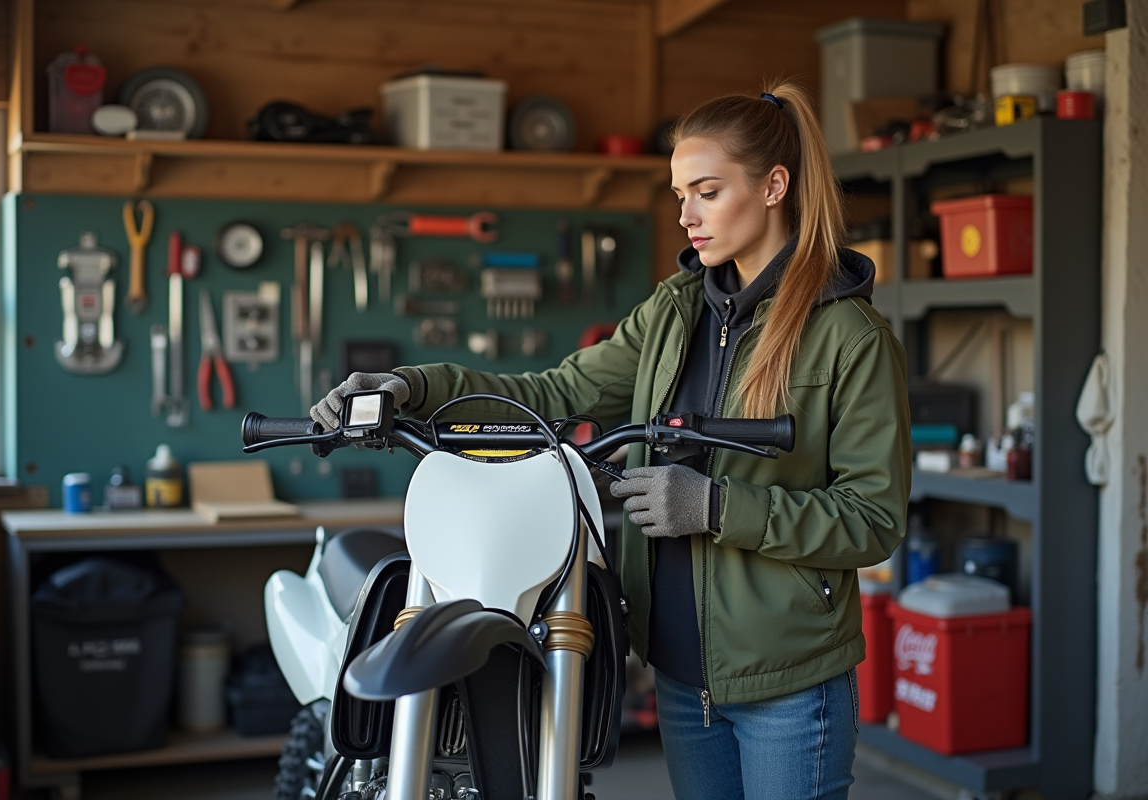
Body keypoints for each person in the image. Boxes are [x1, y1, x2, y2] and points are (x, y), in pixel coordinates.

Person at [311, 81, 911, 800]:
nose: (685, 214)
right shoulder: (674, 311)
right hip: (681, 677)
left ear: (775, 185)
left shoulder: (850, 337)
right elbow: (556, 394)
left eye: (707, 191)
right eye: (679, 192)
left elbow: (873, 520)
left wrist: (716, 507)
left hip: (790, 680)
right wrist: (413, 384)